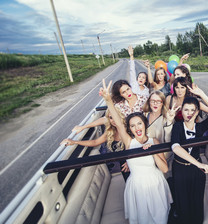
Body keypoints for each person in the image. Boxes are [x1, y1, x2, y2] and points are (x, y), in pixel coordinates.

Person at [100, 79, 173, 224]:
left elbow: (164, 169)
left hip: (155, 184)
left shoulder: (154, 141)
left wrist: (152, 152)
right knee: (142, 218)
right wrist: (108, 100)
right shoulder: (129, 142)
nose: (137, 127)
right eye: (133, 126)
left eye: (139, 123)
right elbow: (119, 123)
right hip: (136, 187)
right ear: (130, 129)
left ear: (144, 125)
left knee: (160, 217)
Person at [170, 84, 208, 224]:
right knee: (182, 200)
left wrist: (201, 94)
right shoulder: (177, 126)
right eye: (186, 110)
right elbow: (176, 148)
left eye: (192, 110)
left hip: (196, 171)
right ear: (181, 112)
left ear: (196, 113)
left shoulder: (200, 127)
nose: (189, 113)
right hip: (180, 168)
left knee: (197, 198)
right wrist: (199, 164)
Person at [60, 109, 130, 181]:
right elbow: (95, 142)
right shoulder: (111, 132)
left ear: (121, 116)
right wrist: (75, 142)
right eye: (111, 118)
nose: (113, 120)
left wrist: (129, 162)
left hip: (133, 160)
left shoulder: (129, 129)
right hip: (123, 165)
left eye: (116, 117)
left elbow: (137, 145)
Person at [72, 79, 148, 134]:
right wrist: (83, 127)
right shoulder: (119, 105)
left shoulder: (144, 99)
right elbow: (106, 119)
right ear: (120, 94)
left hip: (144, 132)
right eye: (123, 92)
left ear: (130, 87)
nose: (128, 93)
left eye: (128, 89)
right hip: (128, 135)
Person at [142, 90, 180, 178]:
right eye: (153, 101)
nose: (155, 104)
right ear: (149, 102)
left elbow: (169, 140)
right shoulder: (144, 115)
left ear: (162, 103)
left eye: (158, 101)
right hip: (146, 157)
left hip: (163, 157)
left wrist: (170, 121)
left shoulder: (166, 118)